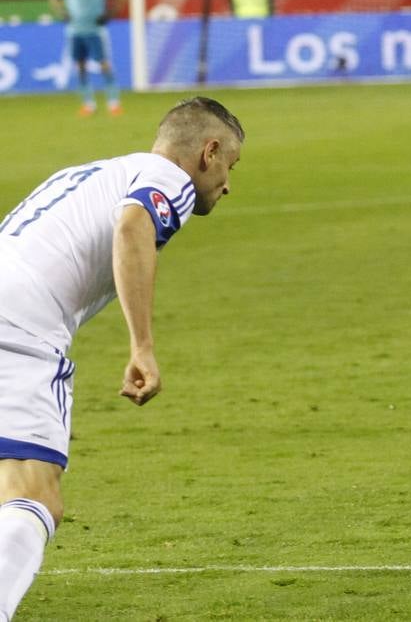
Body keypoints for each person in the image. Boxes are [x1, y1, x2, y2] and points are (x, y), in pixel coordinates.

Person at [0, 96, 244, 618]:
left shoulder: (92, 172)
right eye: (230, 166)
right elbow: (134, 225)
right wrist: (143, 347)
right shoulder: (167, 178)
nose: (228, 184)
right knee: (34, 496)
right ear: (210, 150)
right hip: (20, 322)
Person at [50, 0, 123, 117]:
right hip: (75, 30)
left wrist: (112, 12)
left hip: (95, 28)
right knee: (80, 66)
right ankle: (88, 104)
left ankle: (114, 102)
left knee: (104, 64)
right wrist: (62, 13)